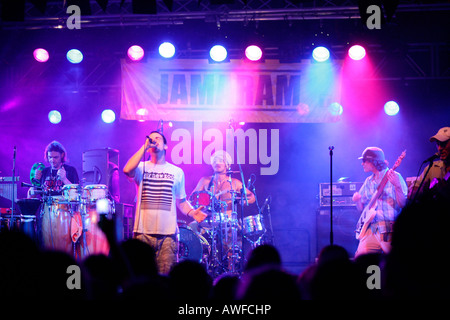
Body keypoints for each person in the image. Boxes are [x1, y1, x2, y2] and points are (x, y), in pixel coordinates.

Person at [123, 130, 207, 274]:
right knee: (141, 277)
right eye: (151, 138)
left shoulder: (176, 171)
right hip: (143, 233)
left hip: (168, 235)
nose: (154, 140)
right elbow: (127, 170)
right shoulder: (141, 167)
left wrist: (193, 213)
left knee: (165, 279)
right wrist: (144, 147)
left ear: (166, 146)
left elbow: (181, 201)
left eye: (158, 138)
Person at [352, 147, 408, 257]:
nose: (362, 164)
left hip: (389, 229)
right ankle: (374, 275)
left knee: (396, 264)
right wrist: (358, 201)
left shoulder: (395, 176)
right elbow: (362, 211)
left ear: (373, 161)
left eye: (364, 161)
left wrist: (397, 186)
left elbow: (403, 204)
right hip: (371, 229)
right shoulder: (368, 181)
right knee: (362, 261)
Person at [190, 150, 256, 219]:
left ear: (226, 164)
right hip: (208, 222)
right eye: (215, 161)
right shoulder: (204, 181)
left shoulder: (235, 182)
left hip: (228, 223)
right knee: (191, 226)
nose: (217, 163)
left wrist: (245, 201)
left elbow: (252, 197)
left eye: (220, 160)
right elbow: (191, 199)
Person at [410, 126, 450, 199]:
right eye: (438, 144)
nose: (440, 148)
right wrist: (423, 191)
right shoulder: (432, 167)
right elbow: (411, 193)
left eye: (443, 143)